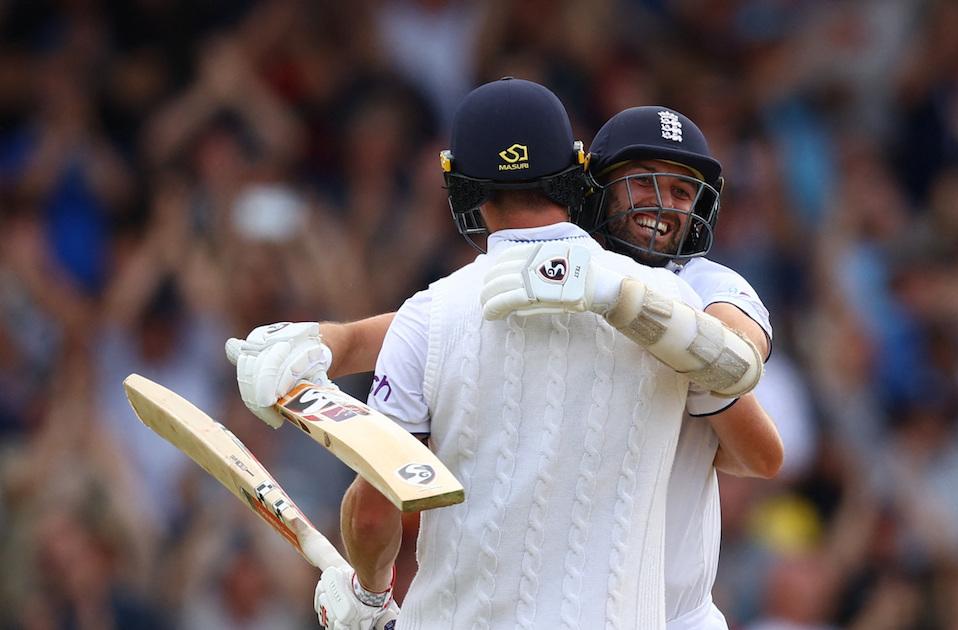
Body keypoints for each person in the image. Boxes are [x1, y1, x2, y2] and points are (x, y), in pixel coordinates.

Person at [226, 78, 765, 629]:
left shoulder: (432, 316)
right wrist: (325, 341)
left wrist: (367, 594)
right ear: (577, 174)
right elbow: (737, 370)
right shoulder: (670, 305)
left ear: (460, 187)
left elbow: (372, 515)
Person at [576, 105, 783, 629]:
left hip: (677, 617)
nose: (663, 204)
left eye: (682, 192)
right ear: (597, 187)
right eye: (643, 181)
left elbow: (740, 348)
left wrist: (645, 315)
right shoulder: (558, 271)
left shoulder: (706, 283)